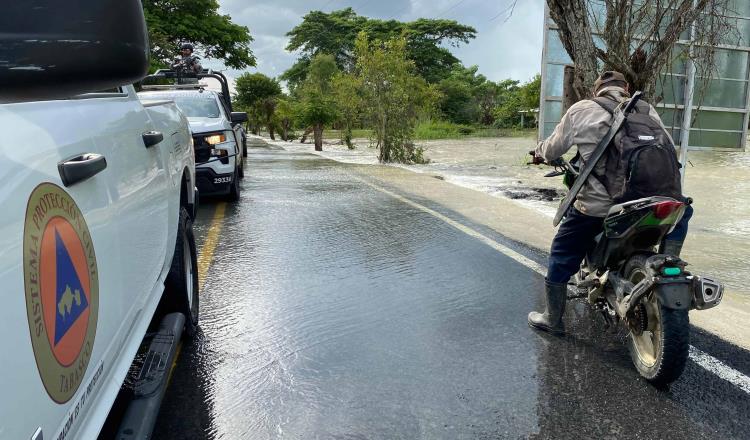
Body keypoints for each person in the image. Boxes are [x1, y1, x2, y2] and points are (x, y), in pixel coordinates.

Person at [528, 70, 692, 335]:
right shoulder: (646, 109)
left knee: (562, 251)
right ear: (625, 88)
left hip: (601, 207)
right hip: (656, 201)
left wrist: (539, 153)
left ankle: (552, 318)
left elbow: (552, 149)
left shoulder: (581, 109)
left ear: (597, 90)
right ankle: (668, 259)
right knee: (684, 212)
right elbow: (668, 148)